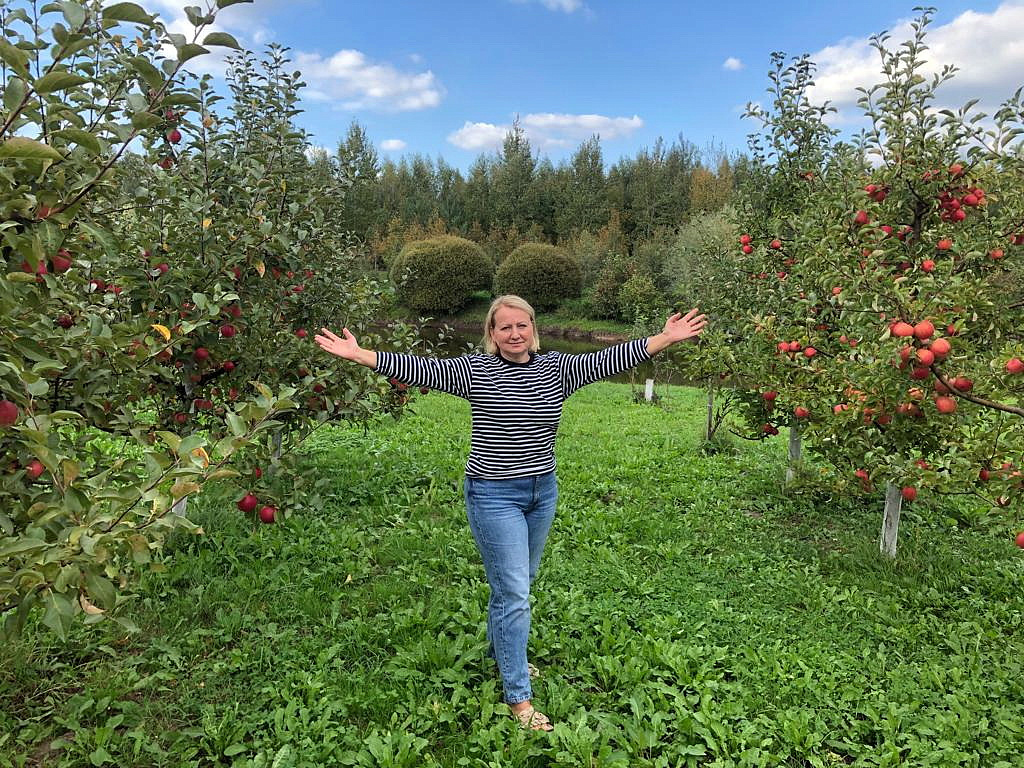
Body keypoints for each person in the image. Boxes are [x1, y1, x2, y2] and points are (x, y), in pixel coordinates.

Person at [315, 295, 706, 731]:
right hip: (493, 494)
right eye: (505, 327)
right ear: (492, 333)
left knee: (516, 585)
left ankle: (504, 652)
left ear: (533, 328)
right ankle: (518, 698)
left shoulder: (558, 368)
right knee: (515, 593)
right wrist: (361, 355)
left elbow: (610, 358)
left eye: (522, 325)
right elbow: (420, 368)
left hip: (542, 492)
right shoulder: (475, 370)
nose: (515, 334)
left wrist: (664, 338)